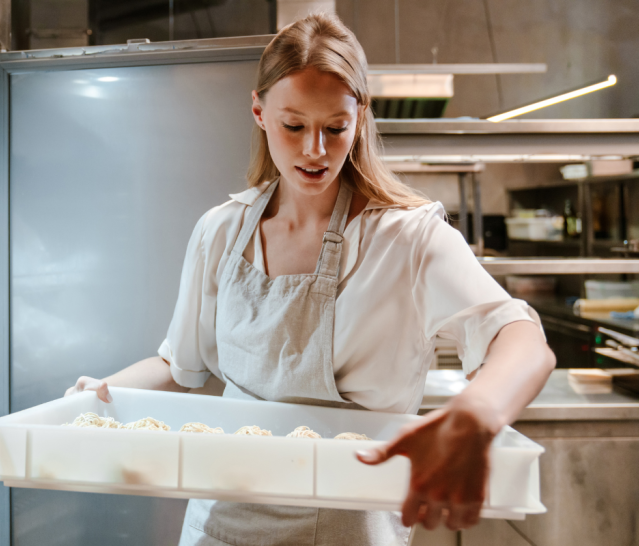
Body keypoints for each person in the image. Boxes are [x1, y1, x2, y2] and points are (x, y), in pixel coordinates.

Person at [66, 12, 555, 546]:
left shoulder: (408, 239)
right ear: (258, 111)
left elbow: (523, 339)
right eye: (293, 125)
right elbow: (179, 365)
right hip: (223, 522)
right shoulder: (222, 231)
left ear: (361, 118)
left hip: (351, 526)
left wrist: (475, 414)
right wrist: (101, 394)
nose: (314, 150)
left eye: (335, 128)